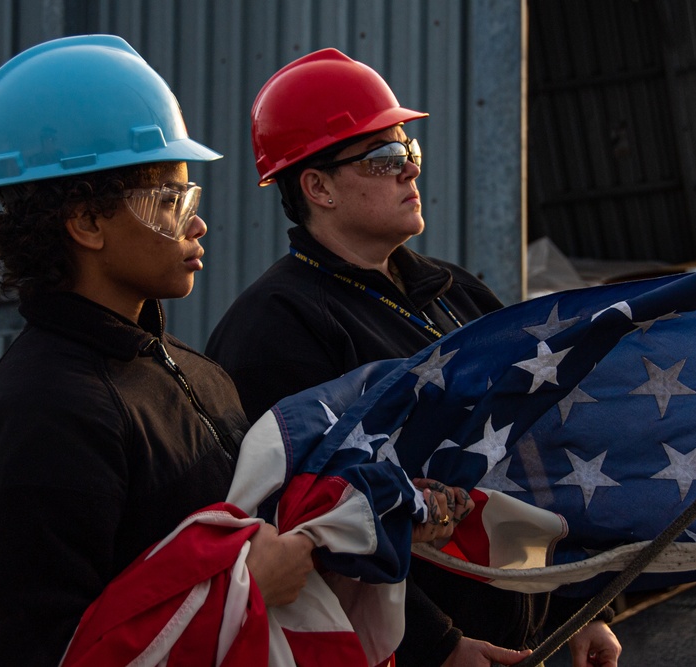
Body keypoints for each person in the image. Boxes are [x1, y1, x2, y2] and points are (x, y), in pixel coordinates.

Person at [206, 48, 622, 666]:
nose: (409, 172)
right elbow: (311, 524)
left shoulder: (455, 292)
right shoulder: (275, 328)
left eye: (410, 153)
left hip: (521, 630)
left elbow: (531, 451)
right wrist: (441, 646)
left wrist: (578, 602)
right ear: (317, 187)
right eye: (384, 159)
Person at [0, 35, 322, 666]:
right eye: (170, 201)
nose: (195, 223)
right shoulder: (45, 412)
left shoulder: (196, 374)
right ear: (86, 223)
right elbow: (48, 649)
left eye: (189, 199)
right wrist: (246, 588)